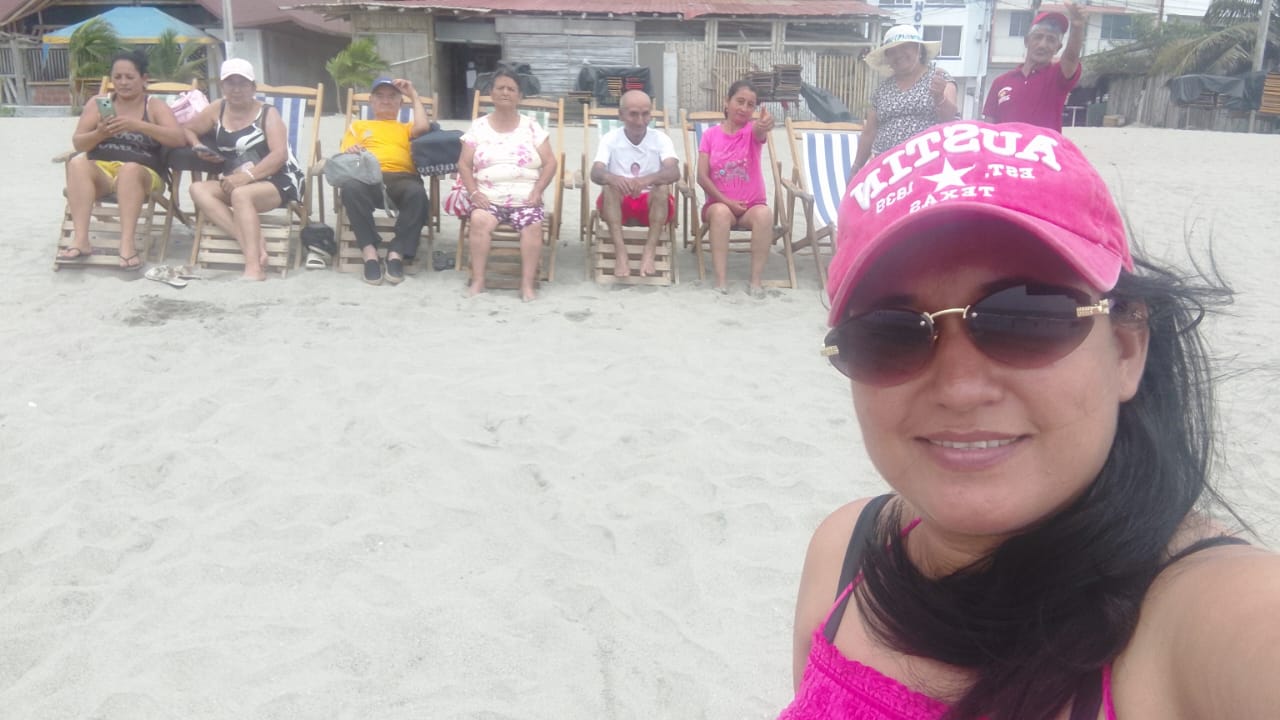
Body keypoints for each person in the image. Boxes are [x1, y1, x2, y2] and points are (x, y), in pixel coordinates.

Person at [780, 120, 1280, 719]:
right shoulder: (844, 553)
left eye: (1027, 317)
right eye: (888, 335)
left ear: (1126, 350)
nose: (961, 389)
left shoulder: (1204, 615)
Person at [57, 50, 185, 269]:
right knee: (77, 163)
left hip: (143, 173)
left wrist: (139, 126)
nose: (123, 82)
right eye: (117, 77)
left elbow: (178, 138)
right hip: (103, 171)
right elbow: (79, 144)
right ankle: (81, 240)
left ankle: (127, 246)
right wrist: (100, 134)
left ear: (144, 79)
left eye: (129, 77)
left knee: (130, 169)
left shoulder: (153, 106)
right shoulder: (101, 104)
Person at [185, 59, 305, 281]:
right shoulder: (217, 109)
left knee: (241, 194)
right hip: (237, 181)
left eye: (243, 83)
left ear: (253, 87)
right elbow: (189, 129)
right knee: (197, 189)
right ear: (222, 86)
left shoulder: (268, 113)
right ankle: (252, 241)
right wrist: (197, 145)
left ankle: (254, 268)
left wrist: (247, 177)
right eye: (230, 83)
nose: (236, 89)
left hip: (278, 179)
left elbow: (280, 155)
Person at [457, 68, 557, 301]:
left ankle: (527, 284)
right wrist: (474, 193)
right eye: (500, 88)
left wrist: (538, 190)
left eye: (511, 89)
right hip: (488, 198)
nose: (505, 92)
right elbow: (463, 164)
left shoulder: (531, 126)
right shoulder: (479, 126)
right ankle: (479, 280)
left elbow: (551, 162)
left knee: (533, 226)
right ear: (491, 93)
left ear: (519, 96)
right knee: (478, 220)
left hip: (526, 198)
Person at [336, 75, 432, 286]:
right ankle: (369, 253)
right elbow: (344, 156)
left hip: (402, 179)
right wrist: (352, 152)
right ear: (371, 101)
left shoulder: (406, 127)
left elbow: (424, 127)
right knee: (350, 188)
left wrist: (413, 94)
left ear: (400, 103)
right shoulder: (358, 126)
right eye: (380, 96)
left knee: (417, 194)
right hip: (367, 178)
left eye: (392, 97)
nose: (386, 101)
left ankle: (396, 253)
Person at [590, 89, 680, 278]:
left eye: (645, 114)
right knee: (609, 186)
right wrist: (613, 178)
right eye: (633, 114)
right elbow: (596, 172)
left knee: (662, 188)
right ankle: (621, 253)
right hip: (618, 205)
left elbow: (674, 172)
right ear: (621, 115)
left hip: (651, 205)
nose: (640, 121)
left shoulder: (661, 139)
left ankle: (649, 252)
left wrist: (647, 180)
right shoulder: (610, 139)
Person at [697, 80, 775, 296]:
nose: (744, 108)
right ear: (727, 102)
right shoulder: (710, 135)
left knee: (764, 215)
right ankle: (721, 281)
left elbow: (760, 131)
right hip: (719, 204)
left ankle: (756, 282)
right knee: (721, 213)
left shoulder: (752, 132)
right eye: (739, 101)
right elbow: (701, 177)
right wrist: (727, 201)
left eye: (750, 105)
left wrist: (764, 125)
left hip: (752, 206)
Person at [850, 25, 958, 175]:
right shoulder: (882, 89)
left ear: (918, 49)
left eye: (905, 47)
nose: (898, 54)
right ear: (887, 58)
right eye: (892, 51)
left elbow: (950, 119)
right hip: (886, 168)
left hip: (927, 165)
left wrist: (939, 97)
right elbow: (870, 132)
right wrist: (856, 168)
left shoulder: (939, 78)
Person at [983, 4, 1086, 132]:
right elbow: (988, 128)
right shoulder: (1001, 82)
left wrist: (1077, 26)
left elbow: (1071, 58)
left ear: (1058, 48)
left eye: (1051, 40)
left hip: (1044, 145)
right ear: (1027, 41)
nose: (1042, 45)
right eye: (1038, 37)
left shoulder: (1058, 76)